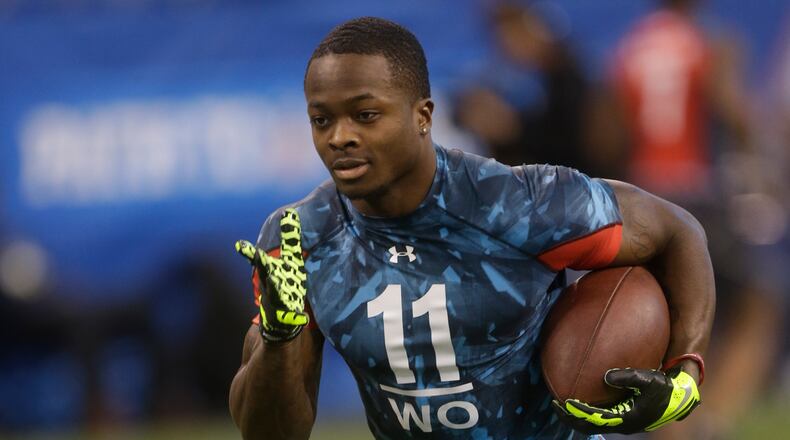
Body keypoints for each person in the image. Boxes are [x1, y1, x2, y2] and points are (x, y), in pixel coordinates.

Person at [229, 17, 714, 440]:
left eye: (365, 114)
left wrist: (685, 372)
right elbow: (271, 433)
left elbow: (677, 230)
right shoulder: (299, 238)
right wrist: (278, 336)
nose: (340, 137)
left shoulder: (519, 204)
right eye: (321, 120)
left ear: (423, 116)